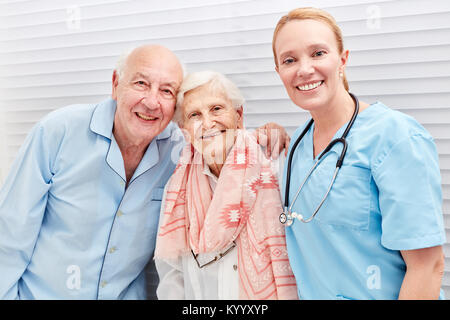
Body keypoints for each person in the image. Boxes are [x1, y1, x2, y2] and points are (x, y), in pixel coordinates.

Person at [0, 45, 289, 299]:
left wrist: (263, 134)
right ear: (115, 84)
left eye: (166, 91)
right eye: (141, 83)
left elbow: (224, 148)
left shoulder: (180, 153)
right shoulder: (58, 132)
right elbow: (10, 233)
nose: (152, 102)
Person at [272, 7, 446, 300]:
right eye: (289, 60)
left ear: (342, 60)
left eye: (318, 53)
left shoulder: (396, 138)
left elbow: (427, 267)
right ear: (279, 73)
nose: (304, 69)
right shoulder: (297, 146)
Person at [154, 71, 298, 300]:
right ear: (185, 131)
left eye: (217, 109)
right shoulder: (178, 185)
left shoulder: (276, 166)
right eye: (194, 115)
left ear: (239, 116)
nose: (208, 123)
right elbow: (172, 273)